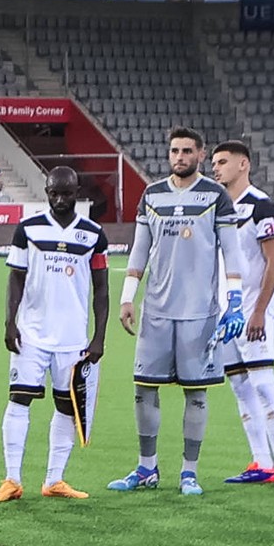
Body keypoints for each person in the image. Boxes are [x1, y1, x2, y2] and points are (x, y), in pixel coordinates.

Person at [110, 129, 229, 497]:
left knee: (196, 394)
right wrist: (128, 297)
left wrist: (233, 302)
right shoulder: (153, 194)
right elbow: (139, 251)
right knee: (143, 389)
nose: (180, 156)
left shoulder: (216, 196)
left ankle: (189, 472)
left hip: (199, 313)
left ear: (201, 154)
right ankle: (147, 468)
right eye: (175, 150)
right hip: (156, 312)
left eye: (187, 150)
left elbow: (232, 254)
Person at [0, 162, 109, 501]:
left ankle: (54, 480)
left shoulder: (92, 234)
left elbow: (101, 289)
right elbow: (15, 276)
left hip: (72, 338)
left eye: (67, 193)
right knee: (19, 399)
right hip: (31, 334)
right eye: (54, 193)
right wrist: (10, 322)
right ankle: (11, 479)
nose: (60, 199)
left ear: (77, 194)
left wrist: (99, 336)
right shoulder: (28, 228)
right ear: (46, 193)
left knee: (66, 407)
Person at [206, 139, 274, 487]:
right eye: (214, 162)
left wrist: (258, 311)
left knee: (262, 383)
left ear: (244, 165)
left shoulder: (261, 206)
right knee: (240, 386)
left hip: (253, 312)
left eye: (223, 161)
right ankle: (261, 462)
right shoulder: (218, 209)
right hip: (224, 314)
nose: (216, 168)